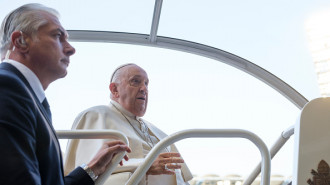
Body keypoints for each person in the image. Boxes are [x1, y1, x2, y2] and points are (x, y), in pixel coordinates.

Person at [0, 4, 131, 185]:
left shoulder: (29, 97)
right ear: (20, 41)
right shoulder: (7, 87)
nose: (71, 49)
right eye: (57, 36)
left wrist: (91, 169)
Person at [64, 63, 193, 185]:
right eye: (135, 81)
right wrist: (145, 165)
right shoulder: (96, 115)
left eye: (146, 84)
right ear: (115, 89)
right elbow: (89, 170)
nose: (144, 89)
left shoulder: (155, 129)